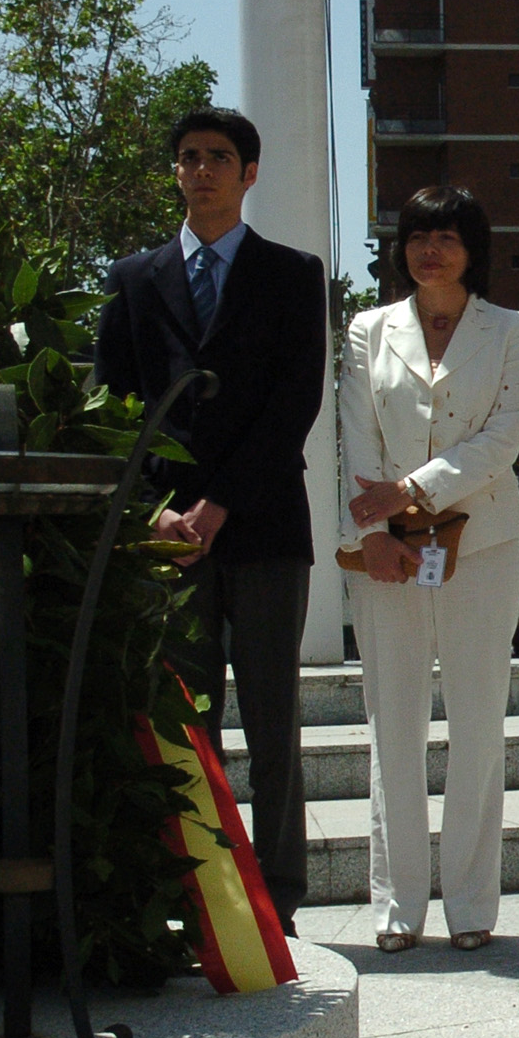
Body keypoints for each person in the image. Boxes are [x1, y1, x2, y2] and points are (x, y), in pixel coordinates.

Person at [94, 106, 325, 936]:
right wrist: (155, 510)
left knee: (273, 720)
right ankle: (199, 896)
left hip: (261, 526)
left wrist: (219, 502)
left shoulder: (293, 274)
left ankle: (280, 901)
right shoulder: (133, 279)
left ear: (248, 173)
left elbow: (293, 402)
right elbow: (110, 406)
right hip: (165, 540)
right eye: (188, 158)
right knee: (185, 723)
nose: (202, 171)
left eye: (219, 158)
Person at [340, 185, 519, 954]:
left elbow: (501, 440)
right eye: (420, 234)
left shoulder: (512, 329)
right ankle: (397, 905)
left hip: (480, 545)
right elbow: (357, 435)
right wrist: (380, 525)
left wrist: (413, 491)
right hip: (385, 553)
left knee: (478, 722)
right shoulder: (367, 329)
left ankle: (471, 904)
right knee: (393, 722)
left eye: (449, 235)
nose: (433, 249)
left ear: (471, 247)